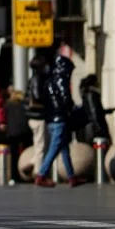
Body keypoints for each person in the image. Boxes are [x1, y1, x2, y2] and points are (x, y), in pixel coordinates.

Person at [35, 43, 85, 188]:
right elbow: (65, 98)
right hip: (60, 118)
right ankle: (41, 175)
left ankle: (71, 176)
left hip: (51, 119)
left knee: (64, 147)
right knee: (55, 147)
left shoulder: (49, 80)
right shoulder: (61, 80)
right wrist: (71, 108)